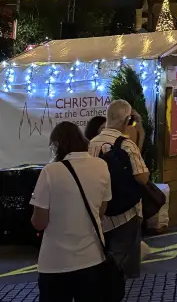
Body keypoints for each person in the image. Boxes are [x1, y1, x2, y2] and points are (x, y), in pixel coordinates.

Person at [30, 121, 112, 302]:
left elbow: (39, 222)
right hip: (93, 258)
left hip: (55, 263)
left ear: (57, 145)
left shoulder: (50, 171)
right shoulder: (101, 166)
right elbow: (100, 211)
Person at [88, 99, 149, 279]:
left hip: (100, 211)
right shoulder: (126, 144)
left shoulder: (91, 144)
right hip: (126, 213)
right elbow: (142, 178)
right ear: (127, 121)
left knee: (103, 258)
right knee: (122, 265)